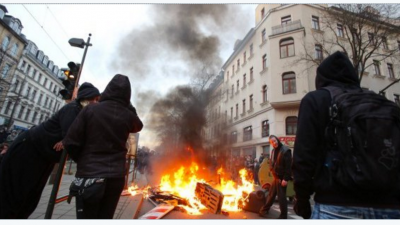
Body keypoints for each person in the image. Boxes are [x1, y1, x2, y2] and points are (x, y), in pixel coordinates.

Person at [292, 51, 400, 219]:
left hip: (336, 205)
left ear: (321, 77)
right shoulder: (383, 103)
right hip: (391, 207)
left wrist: (302, 198)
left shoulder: (316, 100)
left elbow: (303, 157)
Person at [0, 82, 100, 219]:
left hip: (44, 157)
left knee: (31, 197)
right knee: (16, 194)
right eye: (93, 99)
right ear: (85, 99)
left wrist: (66, 141)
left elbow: (73, 139)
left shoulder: (83, 115)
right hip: (29, 150)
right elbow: (72, 139)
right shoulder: (73, 109)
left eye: (97, 100)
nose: (96, 103)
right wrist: (69, 143)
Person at [63, 74, 143, 219]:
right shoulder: (127, 115)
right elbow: (139, 125)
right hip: (115, 178)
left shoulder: (90, 109)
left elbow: (70, 142)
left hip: (90, 176)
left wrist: (82, 161)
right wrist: (128, 104)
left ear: (107, 90)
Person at [259, 135, 292, 219]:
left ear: (277, 140)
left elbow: (289, 167)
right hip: (276, 177)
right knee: (271, 194)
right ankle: (264, 210)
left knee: (281, 198)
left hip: (282, 178)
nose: (274, 142)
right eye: (272, 142)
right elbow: (272, 165)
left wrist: (285, 179)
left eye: (275, 140)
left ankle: (283, 216)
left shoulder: (286, 150)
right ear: (271, 143)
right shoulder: (273, 151)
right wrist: (275, 176)